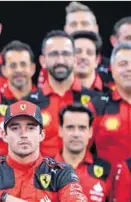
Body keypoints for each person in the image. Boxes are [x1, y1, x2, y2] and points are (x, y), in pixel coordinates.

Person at [30, 30, 101, 158]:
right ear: (43, 61)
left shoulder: (96, 101)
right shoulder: (29, 104)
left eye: (66, 54)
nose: (60, 60)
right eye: (53, 54)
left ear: (74, 59)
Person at [93, 43, 131, 167]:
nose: (129, 68)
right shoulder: (97, 106)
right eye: (123, 64)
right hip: (107, 184)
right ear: (112, 69)